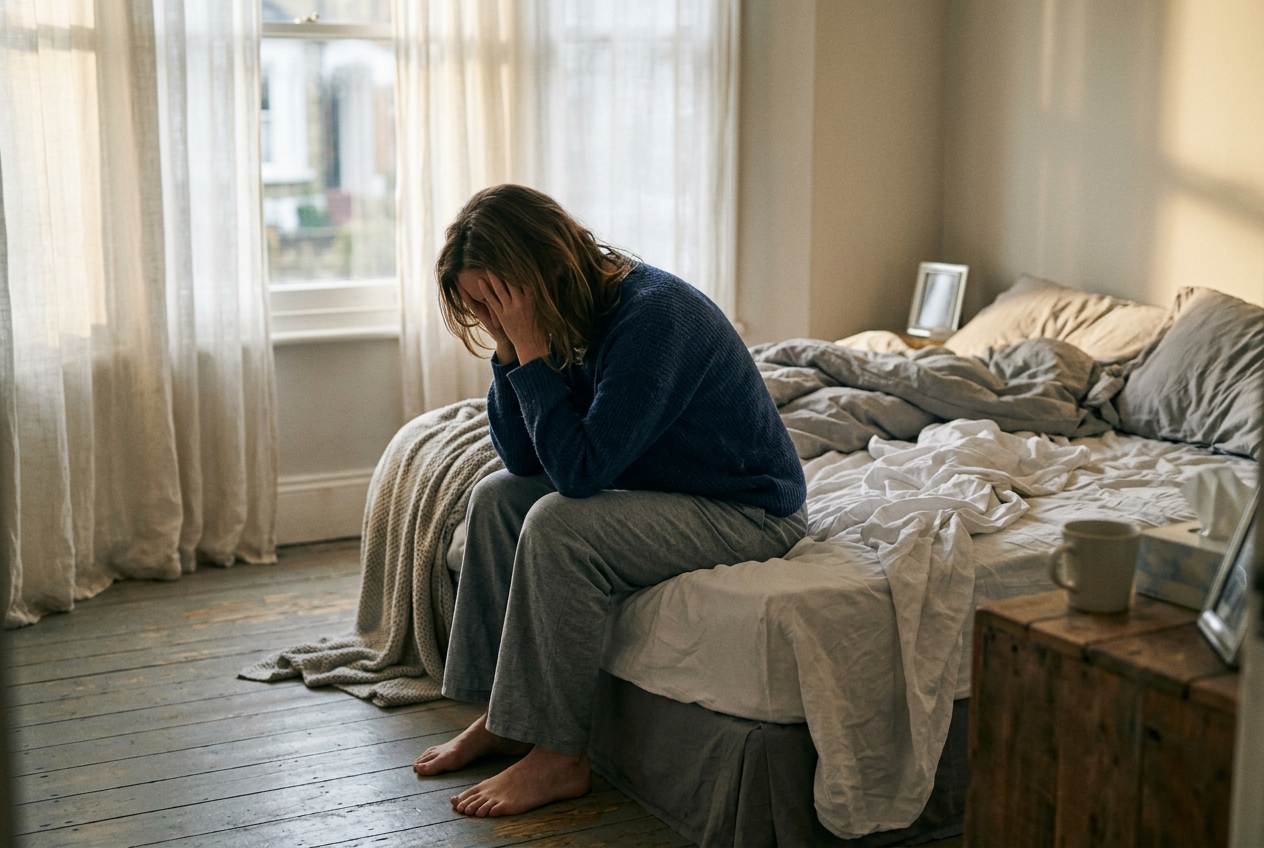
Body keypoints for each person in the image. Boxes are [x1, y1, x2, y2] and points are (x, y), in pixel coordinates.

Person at [412, 184, 807, 817]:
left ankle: (560, 758)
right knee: (496, 498)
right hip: (664, 489)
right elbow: (524, 460)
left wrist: (534, 353)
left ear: (536, 270)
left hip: (750, 512)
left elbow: (580, 473)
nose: (488, 317)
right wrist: (511, 353)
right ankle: (504, 714)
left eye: (495, 302)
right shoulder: (569, 309)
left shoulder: (654, 317)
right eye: (477, 306)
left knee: (558, 524)